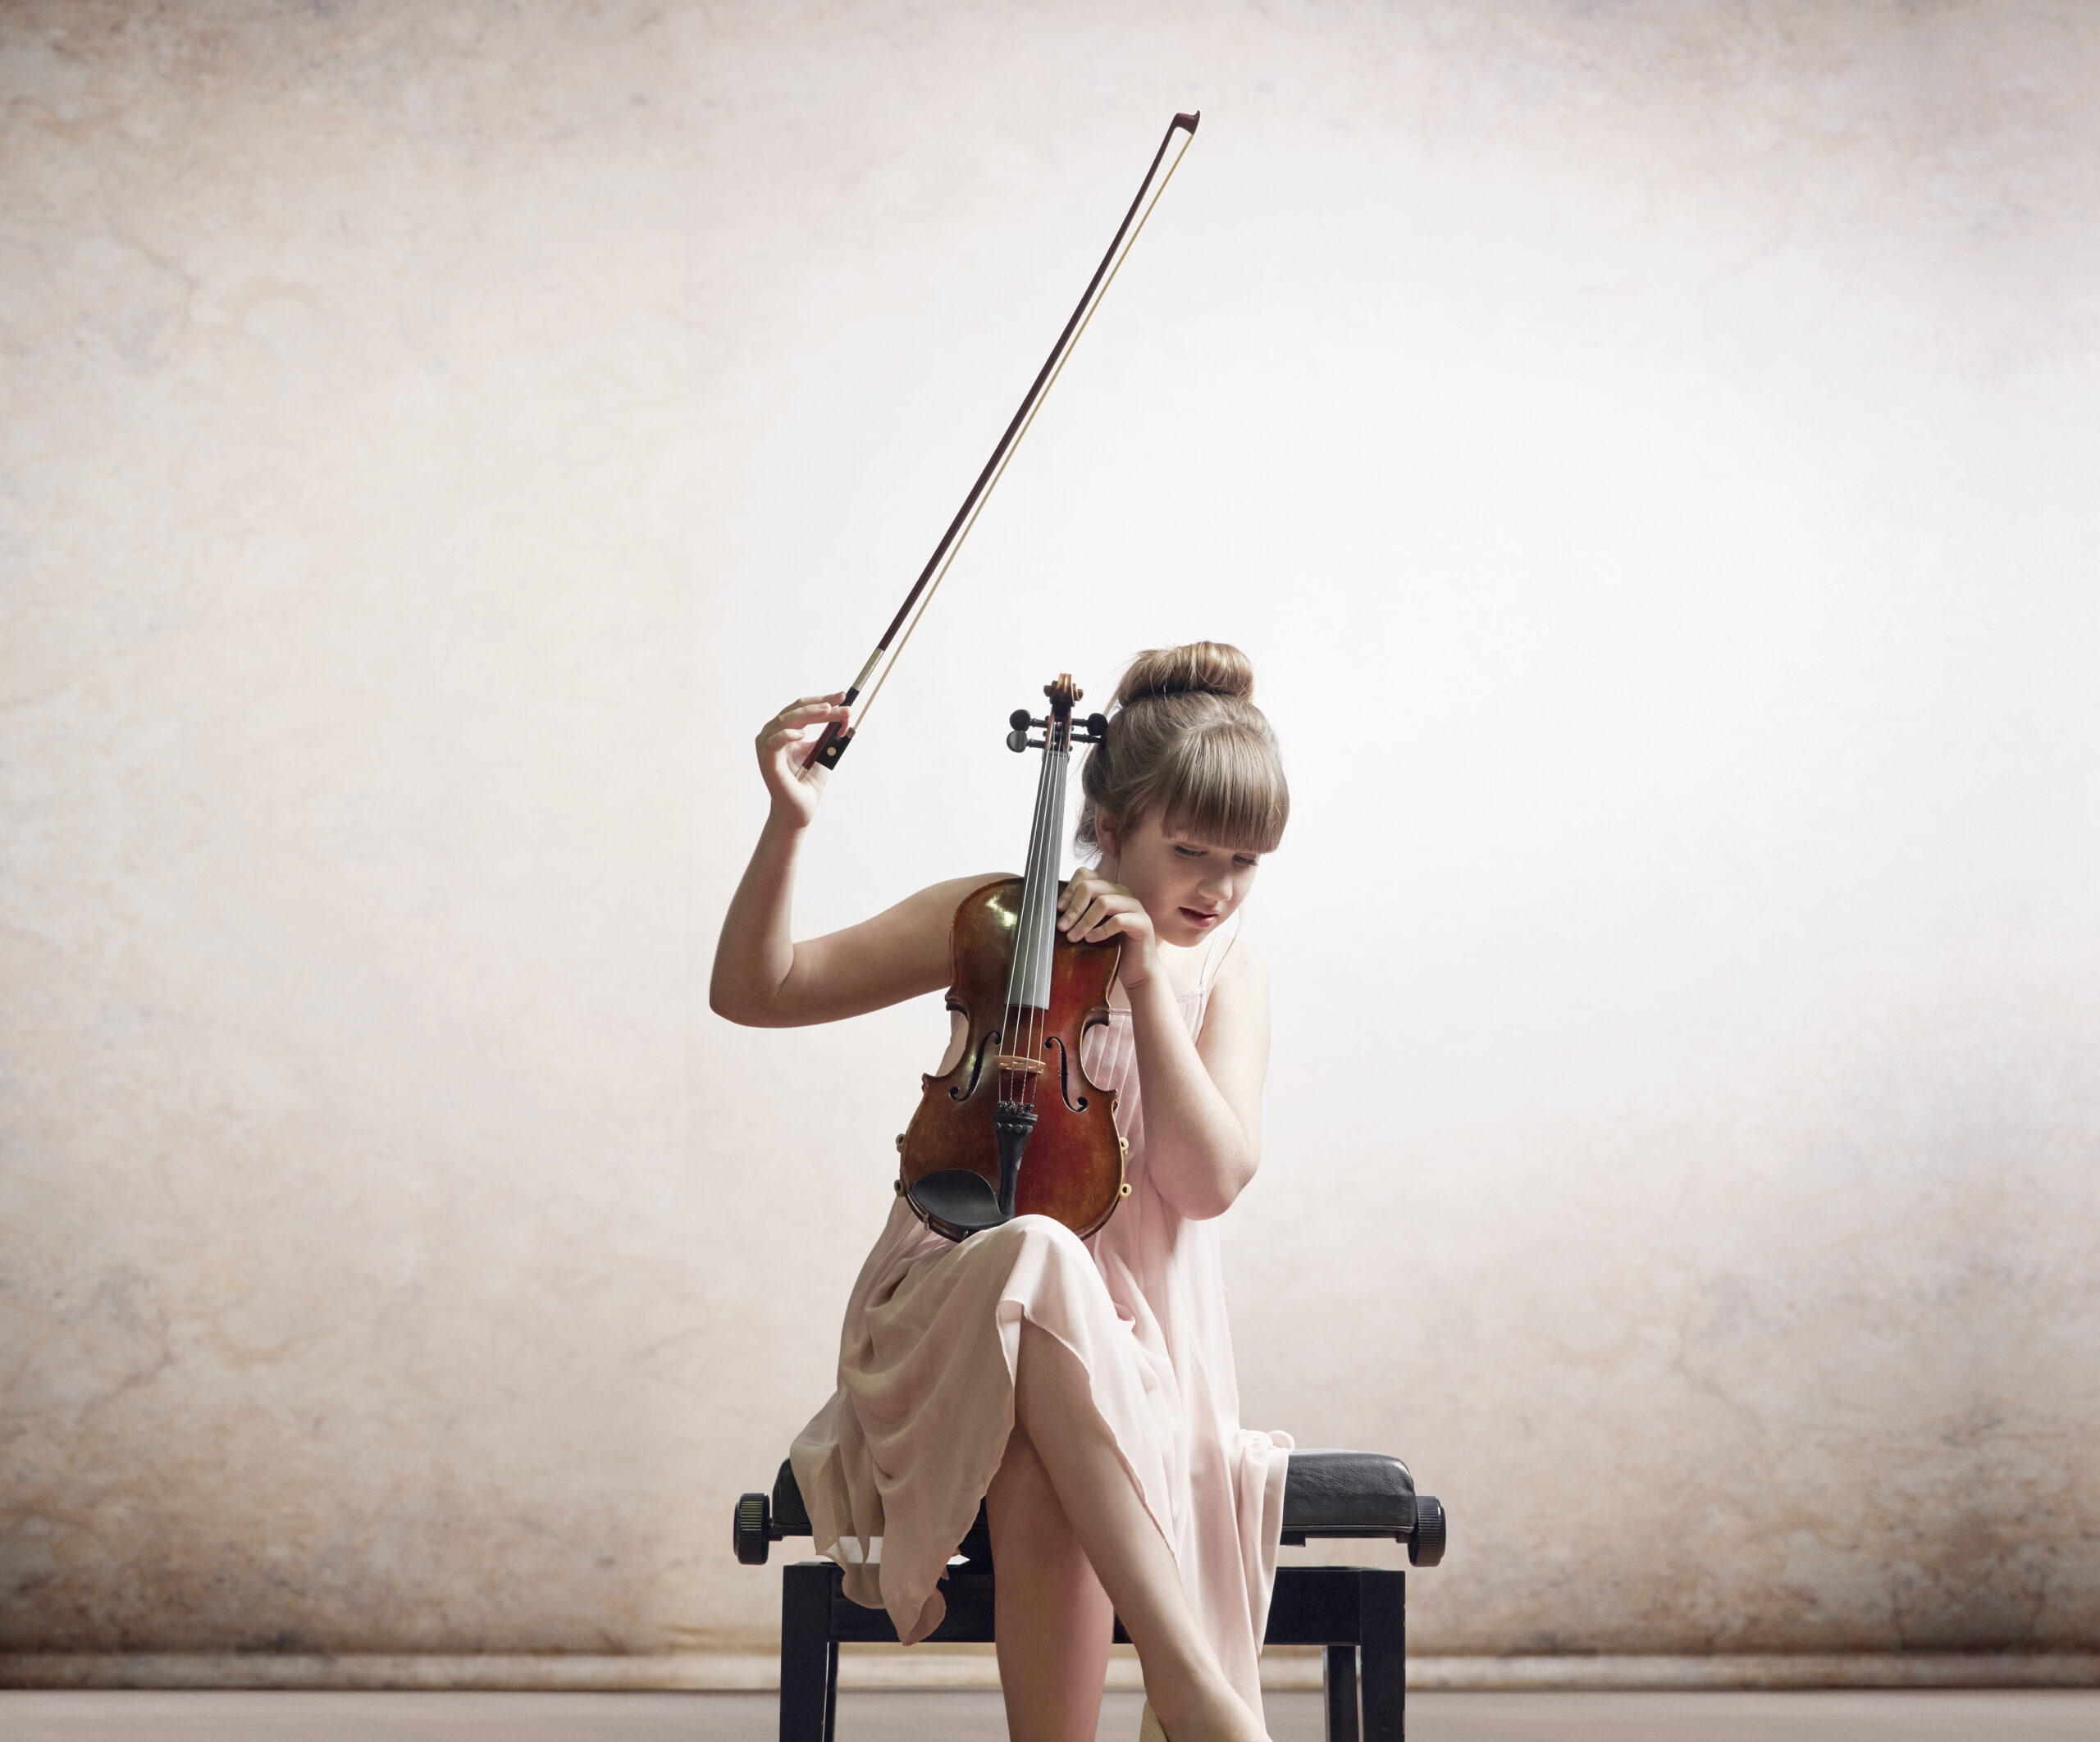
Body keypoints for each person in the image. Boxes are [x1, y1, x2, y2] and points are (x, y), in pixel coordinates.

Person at [711, 641, 1291, 1742]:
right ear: (1108, 823)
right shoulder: (995, 922)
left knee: (1043, 1457)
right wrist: (788, 823)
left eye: (1245, 862)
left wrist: (1146, 989)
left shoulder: (1230, 975)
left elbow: (1206, 1184)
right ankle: (1187, 1681)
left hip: (1140, 1351)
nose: (1217, 888)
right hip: (948, 1309)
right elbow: (755, 991)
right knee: (1035, 1248)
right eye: (1190, 851)